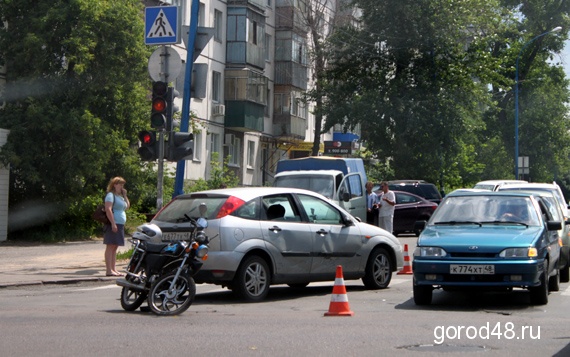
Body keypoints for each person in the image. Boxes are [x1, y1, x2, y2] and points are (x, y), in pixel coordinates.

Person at [104, 176, 130, 277]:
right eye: (120, 184)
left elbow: (127, 206)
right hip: (113, 223)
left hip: (120, 223)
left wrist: (125, 195)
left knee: (115, 246)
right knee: (110, 245)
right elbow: (108, 209)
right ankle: (109, 270)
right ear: (115, 185)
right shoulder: (110, 195)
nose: (122, 186)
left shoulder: (120, 196)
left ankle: (113, 269)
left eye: (123, 184)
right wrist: (113, 223)